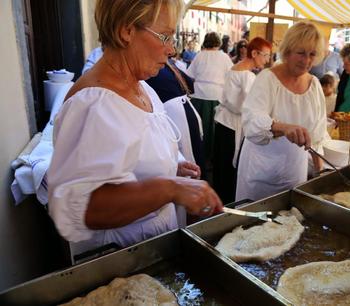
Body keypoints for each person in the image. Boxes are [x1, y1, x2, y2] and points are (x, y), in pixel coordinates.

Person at [48, 0, 223, 256]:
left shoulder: (144, 89)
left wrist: (171, 164)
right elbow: (82, 206)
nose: (171, 50)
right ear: (126, 31)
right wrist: (170, 188)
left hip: (152, 253)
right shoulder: (93, 104)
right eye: (165, 36)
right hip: (120, 264)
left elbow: (131, 157)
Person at [235, 21, 330, 201]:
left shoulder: (314, 85)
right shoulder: (267, 79)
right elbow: (252, 121)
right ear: (287, 51)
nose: (306, 61)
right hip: (261, 174)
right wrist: (283, 128)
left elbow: (317, 136)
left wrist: (320, 171)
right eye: (301, 53)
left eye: (312, 54)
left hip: (294, 172)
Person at [213, 37, 272, 204]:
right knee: (228, 171)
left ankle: (219, 203)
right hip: (232, 126)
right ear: (254, 53)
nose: (267, 60)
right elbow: (250, 106)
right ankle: (226, 205)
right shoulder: (247, 76)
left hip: (224, 123)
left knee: (221, 168)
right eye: (266, 55)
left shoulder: (235, 69)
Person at [186, 32, 233, 171]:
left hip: (199, 95)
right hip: (217, 96)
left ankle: (201, 158)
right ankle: (213, 159)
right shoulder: (224, 57)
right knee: (214, 130)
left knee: (201, 129)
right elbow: (231, 75)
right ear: (218, 43)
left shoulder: (200, 55)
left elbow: (189, 75)